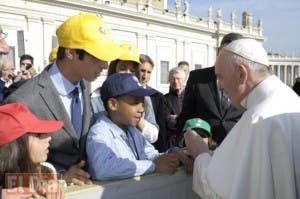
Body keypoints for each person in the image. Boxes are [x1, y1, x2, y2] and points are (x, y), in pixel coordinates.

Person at [5, 13, 124, 185]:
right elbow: (10, 174)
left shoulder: (83, 82)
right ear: (70, 53)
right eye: (97, 56)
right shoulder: (23, 101)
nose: (105, 65)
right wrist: (60, 178)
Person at [185, 38, 300, 199]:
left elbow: (219, 192)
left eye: (221, 77)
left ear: (241, 74)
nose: (219, 86)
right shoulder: (292, 99)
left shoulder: (257, 118)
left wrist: (201, 153)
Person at [87, 73, 180, 181]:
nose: (142, 109)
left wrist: (175, 154)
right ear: (113, 104)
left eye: (142, 102)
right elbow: (102, 168)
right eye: (135, 102)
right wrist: (152, 166)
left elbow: (150, 154)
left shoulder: (132, 130)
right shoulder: (99, 132)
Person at [176, 33, 245, 146]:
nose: (228, 59)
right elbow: (186, 116)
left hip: (236, 148)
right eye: (225, 53)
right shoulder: (197, 78)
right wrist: (180, 144)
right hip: (203, 148)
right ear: (218, 51)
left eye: (234, 55)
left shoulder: (245, 80)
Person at [90, 43, 159, 143]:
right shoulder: (95, 98)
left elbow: (153, 136)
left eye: (132, 70)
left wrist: (135, 117)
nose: (127, 73)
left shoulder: (144, 97)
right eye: (123, 68)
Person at [0, 103, 64, 199]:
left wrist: (51, 184)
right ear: (15, 148)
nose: (49, 137)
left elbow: (15, 181)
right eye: (38, 135)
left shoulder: (44, 170)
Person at [137, 54, 168, 152]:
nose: (145, 76)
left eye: (148, 72)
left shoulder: (157, 96)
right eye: (142, 71)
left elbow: (161, 128)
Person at [164, 67, 186, 147]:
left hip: (190, 140)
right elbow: (168, 121)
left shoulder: (191, 96)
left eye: (178, 78)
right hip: (173, 142)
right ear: (169, 81)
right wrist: (184, 119)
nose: (175, 82)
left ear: (184, 80)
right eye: (172, 79)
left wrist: (176, 117)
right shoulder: (165, 99)